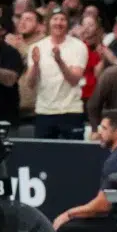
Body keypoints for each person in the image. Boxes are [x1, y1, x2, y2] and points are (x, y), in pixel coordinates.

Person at [28, 8, 88, 139]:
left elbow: (74, 80)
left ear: (67, 23)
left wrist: (59, 60)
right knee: (43, 151)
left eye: (63, 19)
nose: (58, 23)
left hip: (71, 110)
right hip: (44, 111)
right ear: (48, 23)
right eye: (55, 19)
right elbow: (30, 84)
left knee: (74, 151)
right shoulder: (37, 47)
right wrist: (36, 65)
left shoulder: (79, 46)